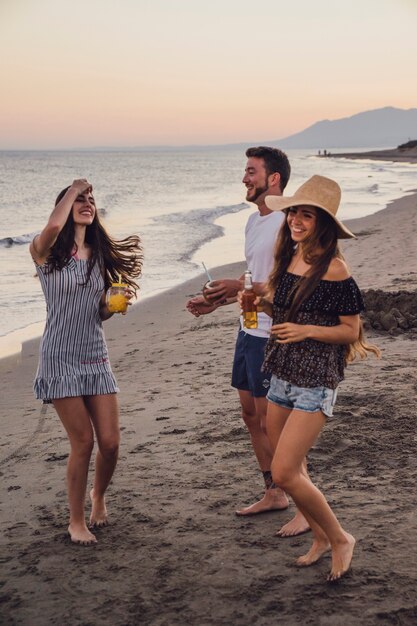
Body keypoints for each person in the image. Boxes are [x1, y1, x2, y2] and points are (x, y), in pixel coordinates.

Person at [257, 174, 380, 581]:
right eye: (293, 211)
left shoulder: (335, 268)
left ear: (322, 222)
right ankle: (320, 539)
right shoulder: (290, 255)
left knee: (285, 473)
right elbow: (289, 313)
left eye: (305, 215)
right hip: (282, 373)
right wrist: (260, 301)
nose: (295, 220)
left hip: (316, 379)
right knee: (292, 470)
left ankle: (341, 538)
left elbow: (351, 331)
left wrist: (306, 331)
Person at [186, 147, 309, 536]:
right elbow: (254, 277)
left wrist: (237, 285)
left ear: (273, 178)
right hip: (248, 328)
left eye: (251, 171)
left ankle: (306, 506)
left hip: (275, 335)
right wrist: (219, 300)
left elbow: (293, 282)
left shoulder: (288, 224)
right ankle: (273, 492)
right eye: (245, 171)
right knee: (251, 416)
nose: (244, 178)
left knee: (278, 423)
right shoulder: (254, 223)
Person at [30, 179, 143, 545]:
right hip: (60, 359)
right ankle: (75, 521)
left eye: (91, 199)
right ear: (63, 205)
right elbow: (51, 227)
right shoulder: (46, 253)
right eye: (79, 199)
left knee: (109, 443)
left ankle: (99, 497)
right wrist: (74, 185)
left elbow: (97, 313)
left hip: (95, 355)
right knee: (83, 442)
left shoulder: (98, 255)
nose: (87, 202)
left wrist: (113, 305)